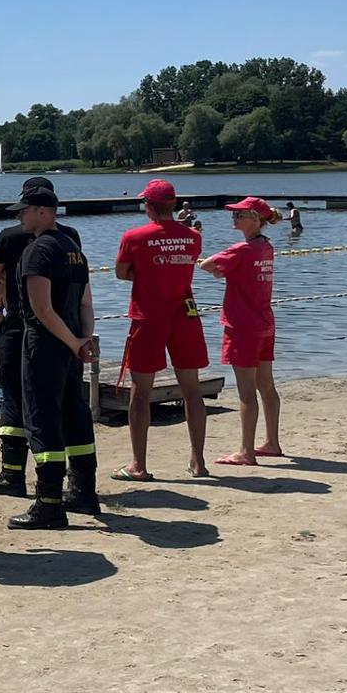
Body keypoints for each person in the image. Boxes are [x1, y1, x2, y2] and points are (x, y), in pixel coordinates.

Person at [0, 177, 82, 498]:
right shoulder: (70, 238)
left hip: (22, 327)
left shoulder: (10, 237)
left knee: (15, 400)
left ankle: (13, 475)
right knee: (67, 403)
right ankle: (78, 482)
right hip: (67, 330)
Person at [6, 180, 98, 530]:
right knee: (75, 414)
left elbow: (41, 309)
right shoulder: (73, 248)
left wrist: (74, 342)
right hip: (70, 345)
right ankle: (84, 492)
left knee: (42, 420)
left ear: (42, 211)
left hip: (44, 346)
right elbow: (85, 302)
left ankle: (48, 505)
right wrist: (82, 339)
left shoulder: (39, 250)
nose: (21, 219)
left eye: (24, 212)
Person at [112, 179, 210, 481]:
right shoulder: (193, 237)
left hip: (148, 317)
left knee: (140, 392)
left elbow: (121, 272)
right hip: (185, 314)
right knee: (192, 390)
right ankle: (198, 462)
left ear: (150, 206)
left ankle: (138, 465)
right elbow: (187, 263)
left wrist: (149, 274)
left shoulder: (134, 237)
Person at [202, 197, 283, 466]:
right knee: (266, 386)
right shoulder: (265, 247)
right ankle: (272, 442)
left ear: (256, 219)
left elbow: (206, 265)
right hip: (264, 323)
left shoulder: (241, 250)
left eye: (240, 215)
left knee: (247, 392)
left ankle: (246, 451)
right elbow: (225, 270)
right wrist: (222, 271)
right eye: (234, 214)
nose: (234, 218)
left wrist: (219, 269)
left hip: (241, 326)